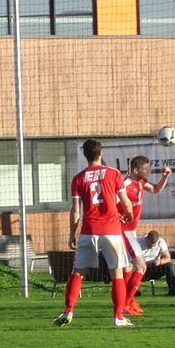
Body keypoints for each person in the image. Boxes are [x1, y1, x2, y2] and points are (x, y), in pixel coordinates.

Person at [54, 139, 135, 327]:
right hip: (111, 231)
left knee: (78, 273)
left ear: (85, 155)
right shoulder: (114, 174)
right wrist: (129, 214)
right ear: (101, 153)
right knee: (117, 274)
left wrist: (72, 234)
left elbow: (75, 210)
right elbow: (125, 201)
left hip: (89, 231)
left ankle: (68, 311)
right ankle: (118, 317)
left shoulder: (78, 178)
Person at [119, 155, 172, 315]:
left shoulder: (140, 182)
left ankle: (127, 301)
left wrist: (165, 177)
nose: (148, 171)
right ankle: (125, 304)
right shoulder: (125, 185)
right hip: (123, 231)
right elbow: (111, 202)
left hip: (130, 231)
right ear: (136, 170)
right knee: (141, 266)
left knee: (129, 267)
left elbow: (155, 189)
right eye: (145, 169)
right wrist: (117, 216)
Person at [139, 230, 175, 296]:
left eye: (154, 244)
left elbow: (168, 258)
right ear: (146, 239)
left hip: (154, 268)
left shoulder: (161, 242)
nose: (152, 246)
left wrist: (160, 261)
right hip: (140, 269)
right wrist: (146, 263)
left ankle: (172, 291)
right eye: (150, 243)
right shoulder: (138, 242)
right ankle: (134, 290)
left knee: (169, 266)